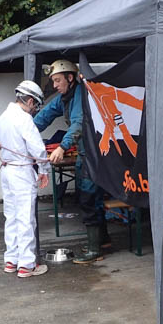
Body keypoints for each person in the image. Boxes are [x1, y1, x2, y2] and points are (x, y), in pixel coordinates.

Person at [33, 59, 109, 264]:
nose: (55, 85)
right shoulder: (64, 98)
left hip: (93, 154)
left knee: (88, 198)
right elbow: (44, 116)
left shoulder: (81, 94)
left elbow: (78, 124)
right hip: (85, 153)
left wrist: (62, 147)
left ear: (70, 77)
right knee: (92, 197)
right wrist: (23, 131)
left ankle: (95, 250)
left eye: (58, 80)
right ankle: (102, 240)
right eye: (53, 81)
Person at [0, 81, 51, 278]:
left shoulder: (3, 117)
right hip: (22, 171)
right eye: (35, 105)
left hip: (7, 170)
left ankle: (11, 260)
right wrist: (44, 169)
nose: (35, 110)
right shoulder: (24, 119)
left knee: (11, 217)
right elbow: (37, 148)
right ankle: (27, 264)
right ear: (30, 101)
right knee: (26, 218)